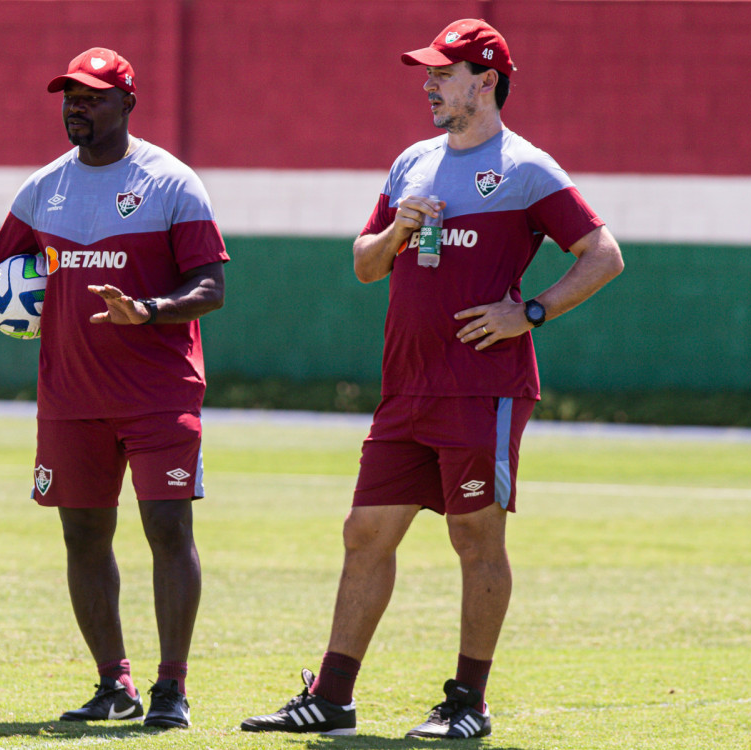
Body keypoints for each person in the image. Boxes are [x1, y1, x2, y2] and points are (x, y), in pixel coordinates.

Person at [240, 19, 623, 739]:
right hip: (405, 389)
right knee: (365, 533)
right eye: (428, 73)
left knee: (475, 540)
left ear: (486, 81)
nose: (427, 85)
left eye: (442, 74)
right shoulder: (411, 162)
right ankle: (333, 699)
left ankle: (468, 703)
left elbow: (603, 255)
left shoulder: (527, 168)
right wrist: (396, 233)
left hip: (484, 389)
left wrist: (529, 311)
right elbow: (364, 265)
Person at [0, 47, 228, 730]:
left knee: (167, 528)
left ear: (128, 103)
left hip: (158, 393)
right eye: (70, 95)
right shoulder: (43, 188)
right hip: (71, 398)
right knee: (82, 537)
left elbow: (211, 288)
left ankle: (171, 690)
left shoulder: (171, 183)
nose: (78, 104)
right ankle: (114, 684)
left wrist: (153, 310)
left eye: (95, 95)